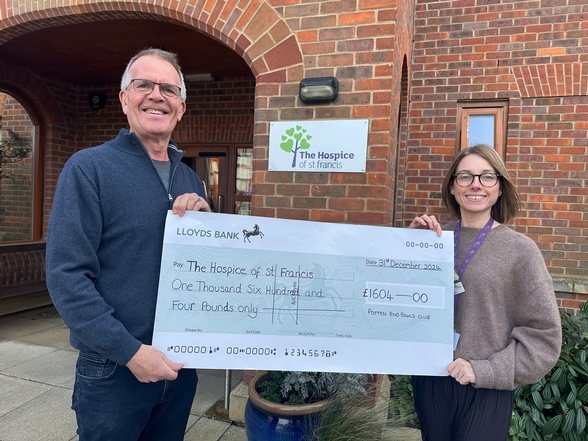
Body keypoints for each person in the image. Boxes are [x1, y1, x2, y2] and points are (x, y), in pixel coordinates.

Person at [46, 48, 211, 440]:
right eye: (143, 85)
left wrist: (207, 224)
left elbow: (204, 272)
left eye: (168, 89)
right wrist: (131, 352)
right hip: (114, 369)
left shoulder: (190, 179)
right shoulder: (89, 169)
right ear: (124, 99)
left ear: (181, 107)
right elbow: (67, 276)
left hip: (179, 367)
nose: (156, 95)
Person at [409, 144, 562, 441]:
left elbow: (545, 337)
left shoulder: (520, 250)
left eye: (487, 176)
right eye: (465, 176)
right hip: (431, 381)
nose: (476, 184)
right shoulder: (432, 241)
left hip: (486, 387)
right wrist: (408, 248)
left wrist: (486, 370)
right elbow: (398, 303)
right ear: (452, 187)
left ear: (500, 188)